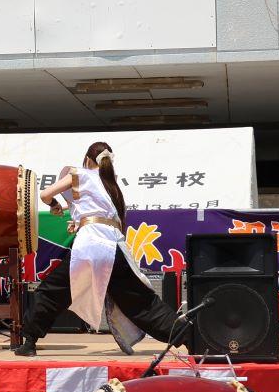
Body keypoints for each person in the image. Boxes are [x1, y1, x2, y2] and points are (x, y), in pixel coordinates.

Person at [16, 141, 191, 357]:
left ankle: (29, 342)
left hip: (90, 247)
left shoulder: (78, 174)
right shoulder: (112, 184)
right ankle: (187, 335)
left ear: (88, 159)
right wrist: (78, 219)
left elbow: (45, 194)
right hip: (115, 248)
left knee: (51, 293)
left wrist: (53, 205)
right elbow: (102, 214)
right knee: (141, 301)